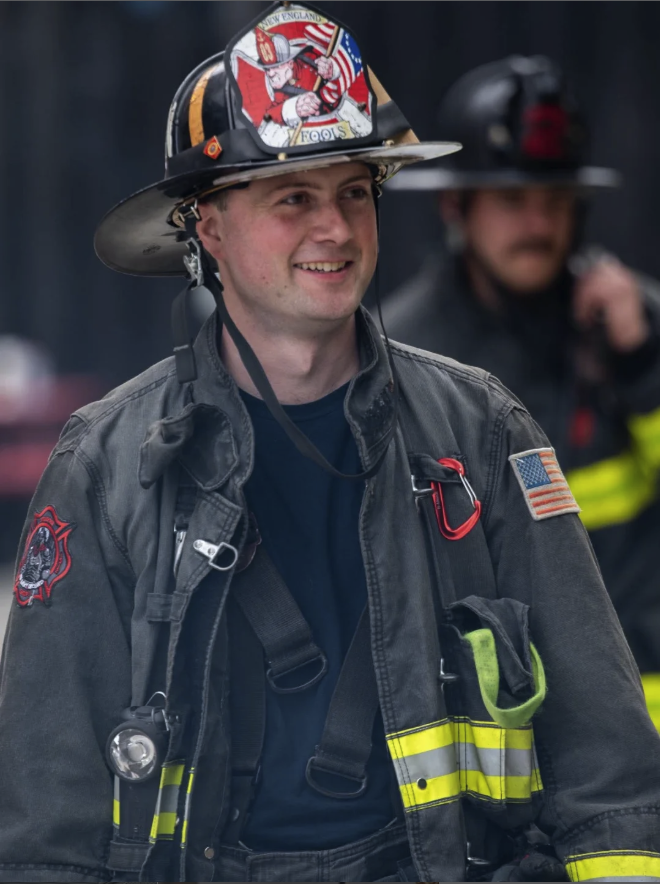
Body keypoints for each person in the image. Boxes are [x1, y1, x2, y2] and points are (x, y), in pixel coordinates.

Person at [1, 9, 659, 883]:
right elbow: (47, 829)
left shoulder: (480, 432)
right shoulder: (107, 464)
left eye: (355, 191)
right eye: (293, 198)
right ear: (206, 230)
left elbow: (608, 771)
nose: (337, 230)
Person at [383, 55, 660, 726]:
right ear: (456, 204)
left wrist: (642, 367)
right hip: (510, 729)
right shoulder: (401, 355)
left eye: (555, 202)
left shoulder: (635, 323)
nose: (538, 223)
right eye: (511, 201)